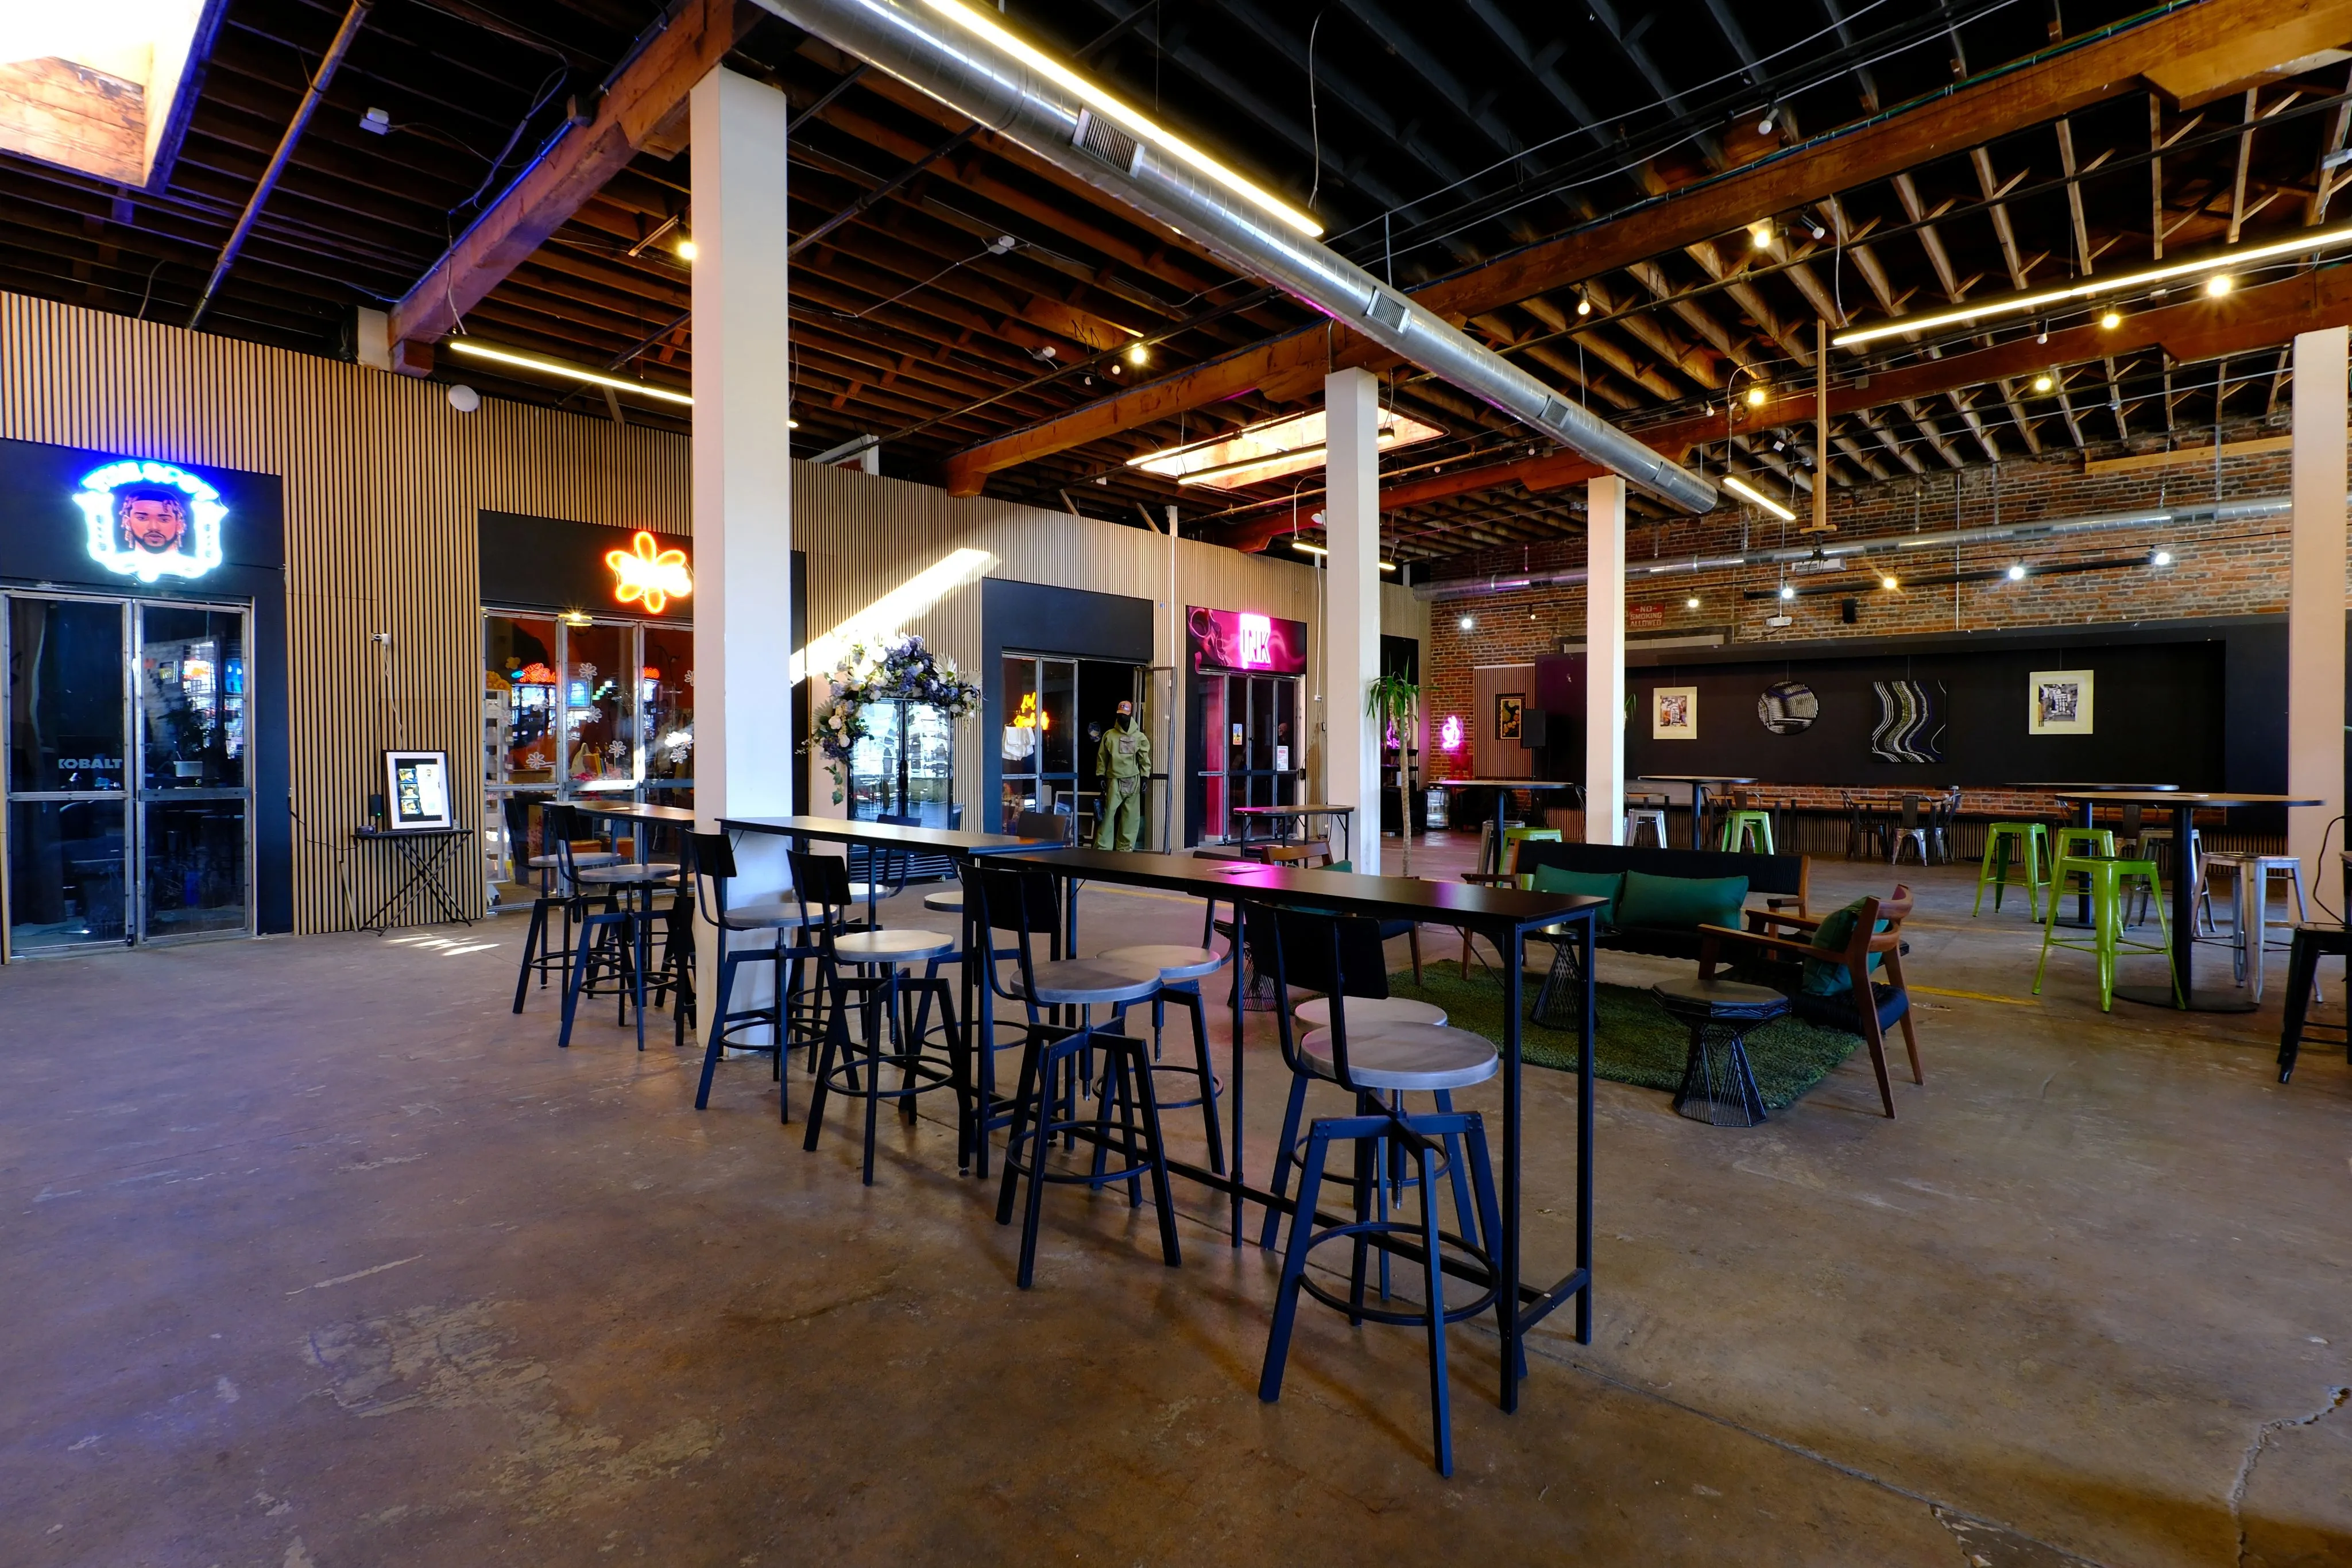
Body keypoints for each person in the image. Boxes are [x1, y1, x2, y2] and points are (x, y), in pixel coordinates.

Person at [1093, 699, 1150, 851]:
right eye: (1120, 714)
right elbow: (1102, 758)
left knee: (1131, 818)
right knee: (1108, 817)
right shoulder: (1109, 736)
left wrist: (1145, 777)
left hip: (1133, 780)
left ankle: (1125, 850)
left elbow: (1144, 759)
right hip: (1114, 780)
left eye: (1125, 714)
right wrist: (1100, 776)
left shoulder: (1139, 737)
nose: (1122, 717)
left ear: (1130, 714)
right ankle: (1103, 849)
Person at [115, 485, 190, 559]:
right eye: (142, 518)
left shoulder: (194, 568)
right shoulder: (116, 565)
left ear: (179, 525)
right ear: (127, 522)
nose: (154, 527)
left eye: (164, 520)